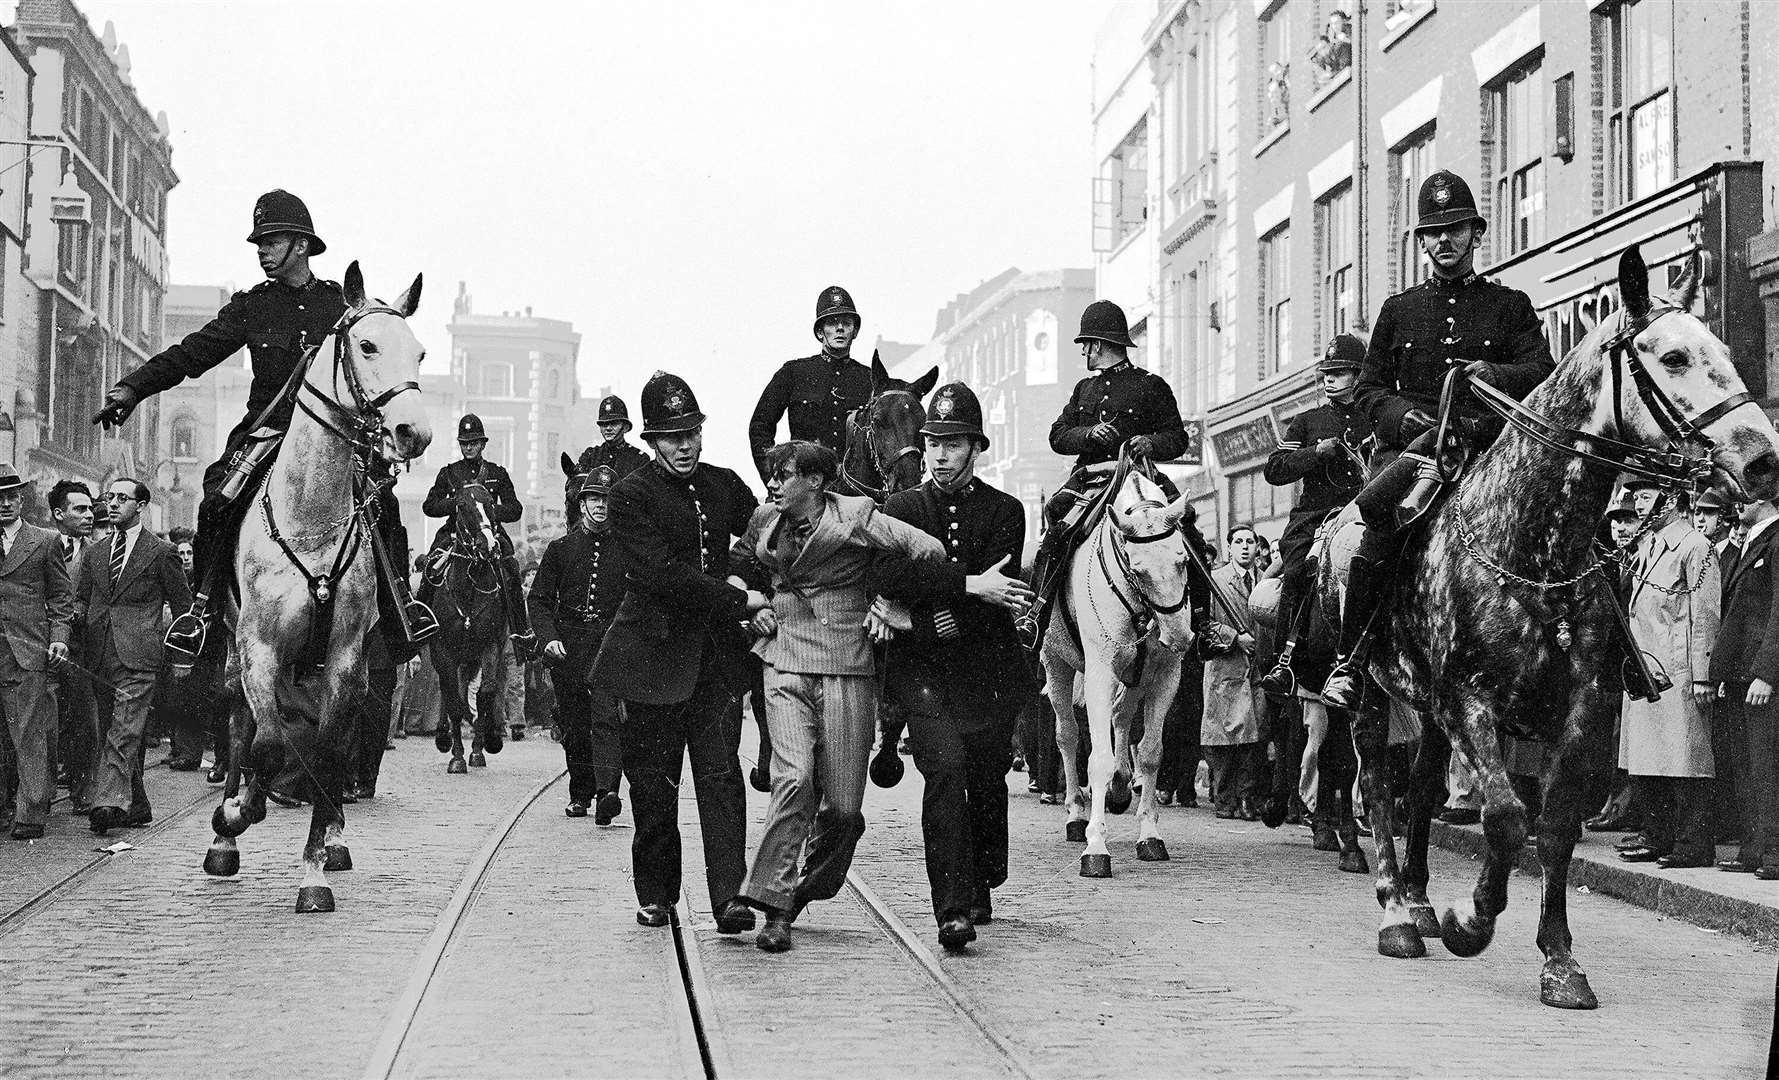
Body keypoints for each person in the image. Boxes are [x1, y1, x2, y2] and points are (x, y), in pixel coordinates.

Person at [91, 190, 434, 667]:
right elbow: (193, 353)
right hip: (267, 434)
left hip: (336, 440)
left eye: (271, 241)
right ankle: (204, 613)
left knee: (386, 508)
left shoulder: (341, 305)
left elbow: (381, 357)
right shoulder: (252, 306)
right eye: (260, 243)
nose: (262, 251)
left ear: (301, 244)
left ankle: (400, 613)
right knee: (217, 501)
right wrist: (134, 388)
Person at [1320, 170, 1557, 707]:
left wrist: (1495, 373)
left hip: (1490, 447)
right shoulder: (1398, 311)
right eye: (1433, 231)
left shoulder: (1510, 305)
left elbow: (1542, 369)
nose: (1443, 240)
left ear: (1477, 233)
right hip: (1417, 450)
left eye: (1454, 228)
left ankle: (1605, 655)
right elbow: (1370, 389)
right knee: (1381, 521)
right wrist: (1401, 415)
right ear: (1422, 242)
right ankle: (1350, 661)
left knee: (1567, 523)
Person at [732, 439, 942, 953]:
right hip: (782, 659)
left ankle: (807, 887)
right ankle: (773, 908)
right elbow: (733, 566)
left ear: (816, 481)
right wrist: (752, 599)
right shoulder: (764, 519)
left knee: (845, 811)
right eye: (771, 475)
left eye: (784, 475)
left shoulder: (857, 515)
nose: (774, 484)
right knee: (795, 779)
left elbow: (929, 551)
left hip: (846, 663)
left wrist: (890, 601)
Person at [589, 371, 766, 932]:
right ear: (651, 441)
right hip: (650, 661)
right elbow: (664, 576)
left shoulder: (725, 484)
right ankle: (659, 893)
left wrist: (741, 573)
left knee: (721, 779)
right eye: (671, 436)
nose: (684, 445)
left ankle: (729, 899)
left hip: (714, 663)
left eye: (690, 431)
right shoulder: (629, 495)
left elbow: (760, 532)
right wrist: (737, 601)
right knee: (654, 786)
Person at [866, 383, 1034, 951]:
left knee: (986, 779)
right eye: (932, 442)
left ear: (975, 448)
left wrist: (925, 605)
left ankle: (983, 876)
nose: (938, 454)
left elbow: (1003, 593)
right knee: (943, 775)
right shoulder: (901, 509)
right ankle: (952, 909)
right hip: (925, 674)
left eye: (953, 443)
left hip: (989, 672)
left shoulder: (1006, 512)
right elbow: (887, 576)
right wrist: (966, 586)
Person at [1022, 299, 1193, 648]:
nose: (1084, 350)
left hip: (1138, 478)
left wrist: (1151, 442)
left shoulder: (1151, 385)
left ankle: (1202, 622)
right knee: (1057, 524)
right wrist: (1087, 435)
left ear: (1097, 345)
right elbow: (1057, 435)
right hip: (1091, 480)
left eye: (1086, 343)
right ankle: (1038, 615)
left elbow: (1178, 437)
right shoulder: (1083, 389)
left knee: (1187, 527)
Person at [1259, 333, 1372, 697]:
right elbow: (1274, 468)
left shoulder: (1376, 416)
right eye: (1327, 372)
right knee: (1296, 572)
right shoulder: (1307, 421)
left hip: (1366, 511)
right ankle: (1286, 663)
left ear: (1358, 374)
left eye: (1339, 372)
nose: (1329, 378)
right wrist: (1316, 454)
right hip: (1317, 516)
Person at [1616, 485, 1720, 869]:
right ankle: (1657, 835)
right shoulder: (1650, 547)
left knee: (1686, 760)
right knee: (1651, 758)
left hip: (1679, 669)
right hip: (1647, 670)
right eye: (1637, 499)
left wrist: (1703, 674)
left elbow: (1705, 614)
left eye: (1645, 497)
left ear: (1670, 499)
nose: (1638, 506)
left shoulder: (1695, 546)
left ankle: (1693, 844)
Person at [79, 479, 191, 836]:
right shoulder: (96, 553)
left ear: (141, 506)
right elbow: (82, 601)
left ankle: (108, 801)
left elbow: (185, 608)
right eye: (109, 498)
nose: (112, 504)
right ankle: (137, 804)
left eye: (122, 499)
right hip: (99, 653)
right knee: (114, 731)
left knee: (124, 728)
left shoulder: (161, 552)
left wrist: (179, 654)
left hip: (140, 655)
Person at [531, 466, 628, 823]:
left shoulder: (625, 548)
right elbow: (539, 600)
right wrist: (549, 638)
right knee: (574, 723)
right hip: (568, 645)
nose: (600, 506)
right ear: (582, 503)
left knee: (605, 716)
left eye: (606, 499)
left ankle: (607, 792)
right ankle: (581, 793)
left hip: (609, 644)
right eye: (594, 499)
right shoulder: (560, 549)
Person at [420, 414, 536, 657]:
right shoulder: (448, 473)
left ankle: (520, 633)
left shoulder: (497, 473)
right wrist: (458, 505)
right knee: (431, 568)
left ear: (483, 444)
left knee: (511, 570)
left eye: (473, 442)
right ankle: (419, 624)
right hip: (455, 535)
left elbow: (515, 509)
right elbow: (429, 506)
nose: (469, 447)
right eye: (464, 442)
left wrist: (489, 510)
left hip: (489, 533)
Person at [0, 466, 72, 839]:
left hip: (26, 652)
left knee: (28, 734)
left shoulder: (44, 541)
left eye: (12, 496)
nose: (5, 504)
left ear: (23, 499)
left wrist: (59, 636)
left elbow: (61, 597)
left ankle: (30, 812)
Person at [1711, 496, 1779, 878]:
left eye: (1747, 494)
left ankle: (1773, 853)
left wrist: (1768, 673)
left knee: (1766, 765)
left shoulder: (1775, 540)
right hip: (1740, 676)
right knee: (1746, 766)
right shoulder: (1754, 541)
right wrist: (1724, 675)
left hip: (1759, 676)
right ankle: (1753, 850)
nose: (1738, 501)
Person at [747, 285, 874, 484]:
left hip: (854, 493)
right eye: (832, 323)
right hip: (801, 486)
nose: (839, 328)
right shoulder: (794, 373)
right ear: (819, 332)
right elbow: (760, 426)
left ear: (855, 331)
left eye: (846, 323)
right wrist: (775, 479)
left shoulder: (869, 379)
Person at [1201, 525, 1265, 818]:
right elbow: (1204, 624)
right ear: (1229, 548)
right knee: (1224, 739)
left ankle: (1247, 800)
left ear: (1257, 548)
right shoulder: (1215, 582)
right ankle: (1225, 800)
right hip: (1226, 668)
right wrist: (1235, 638)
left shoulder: (1267, 583)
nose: (1244, 546)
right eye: (1238, 541)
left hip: (1257, 672)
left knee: (1253, 740)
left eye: (1249, 541)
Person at [47, 480, 97, 814]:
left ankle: (84, 793)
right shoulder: (38, 544)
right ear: (59, 513)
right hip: (44, 647)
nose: (89, 515)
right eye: (80, 509)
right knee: (44, 723)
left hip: (83, 651)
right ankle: (40, 792)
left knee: (85, 722)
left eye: (91, 508)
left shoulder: (100, 551)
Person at [574, 395, 650, 483]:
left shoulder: (639, 460)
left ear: (625, 427)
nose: (608, 428)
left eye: (614, 423)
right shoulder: (590, 456)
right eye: (604, 424)